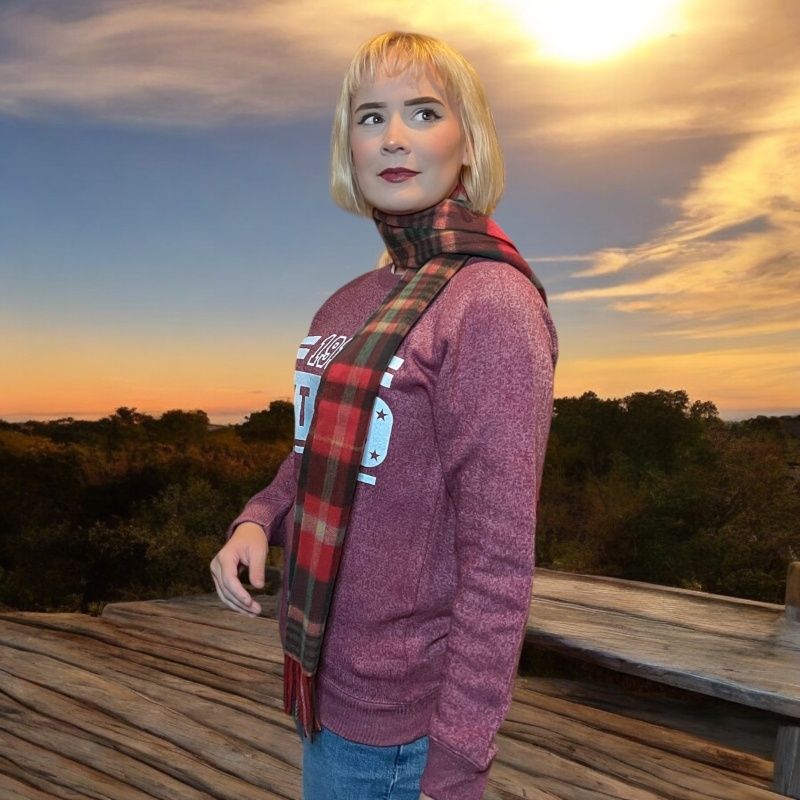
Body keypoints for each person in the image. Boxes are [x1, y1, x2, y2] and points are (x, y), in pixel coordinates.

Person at [210, 30, 558, 800]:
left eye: (424, 111)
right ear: (349, 146)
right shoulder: (347, 303)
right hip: (317, 691)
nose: (394, 137)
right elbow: (311, 456)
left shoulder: (489, 304)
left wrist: (458, 759)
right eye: (370, 117)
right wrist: (255, 520)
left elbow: (499, 562)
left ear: (467, 143)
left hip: (405, 734)